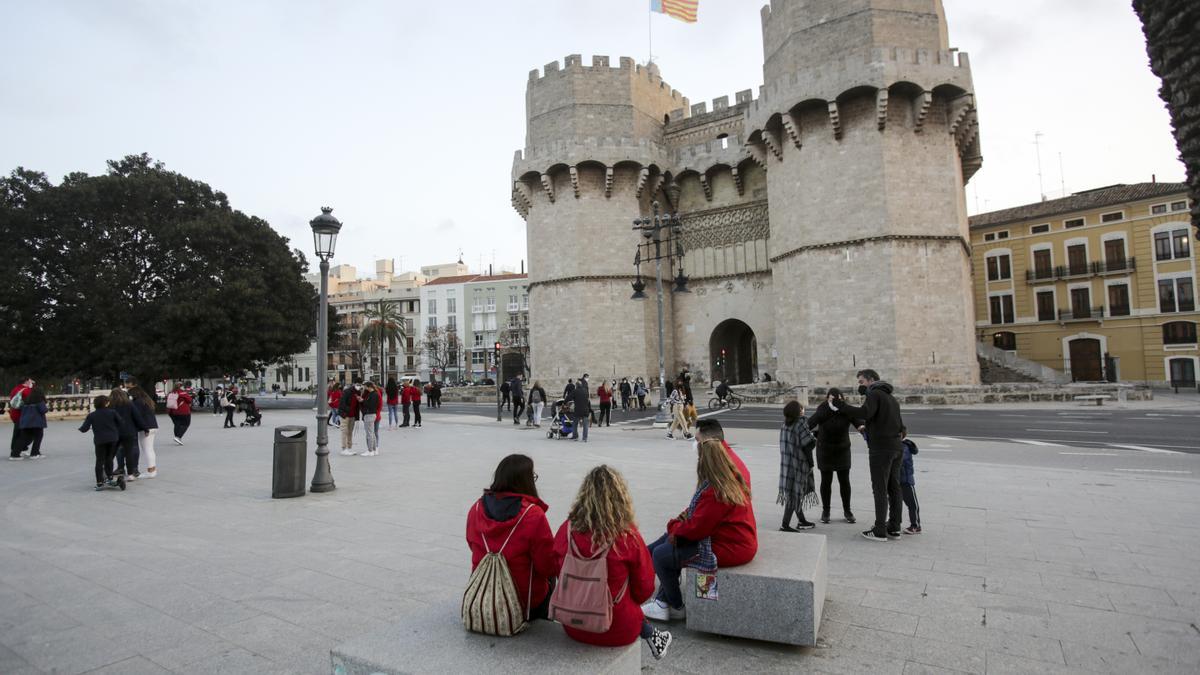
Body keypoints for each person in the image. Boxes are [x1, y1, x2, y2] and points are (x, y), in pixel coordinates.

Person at [552, 465, 672, 660]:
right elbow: (644, 589)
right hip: (618, 629)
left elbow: (556, 569)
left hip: (574, 624)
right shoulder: (627, 536)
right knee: (624, 599)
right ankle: (652, 635)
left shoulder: (566, 530)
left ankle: (653, 635)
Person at [642, 439, 757, 622]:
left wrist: (674, 527)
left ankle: (676, 606)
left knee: (662, 555)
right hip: (732, 540)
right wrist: (676, 526)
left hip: (731, 547)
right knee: (665, 543)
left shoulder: (717, 491)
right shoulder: (725, 480)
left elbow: (696, 529)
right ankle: (658, 599)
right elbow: (696, 515)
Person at [466, 455, 557, 621]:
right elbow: (547, 566)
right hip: (523, 602)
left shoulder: (477, 507)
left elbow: (472, 544)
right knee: (552, 572)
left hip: (483, 593)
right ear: (525, 481)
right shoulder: (532, 514)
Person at [832, 369, 904, 542]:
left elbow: (864, 413)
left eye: (861, 382)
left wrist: (841, 405)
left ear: (871, 380)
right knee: (894, 488)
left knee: (880, 488)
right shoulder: (891, 398)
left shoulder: (875, 394)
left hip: (881, 449)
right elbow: (901, 426)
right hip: (896, 447)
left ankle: (879, 530)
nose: (860, 385)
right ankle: (894, 527)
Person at [806, 388, 857, 524]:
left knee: (844, 481)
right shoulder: (822, 408)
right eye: (831, 397)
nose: (835, 400)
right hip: (825, 451)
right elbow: (810, 423)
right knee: (826, 481)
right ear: (827, 398)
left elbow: (858, 421)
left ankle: (847, 511)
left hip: (842, 450)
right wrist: (826, 408)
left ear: (842, 398)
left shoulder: (845, 409)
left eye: (838, 398)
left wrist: (864, 428)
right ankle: (826, 511)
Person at [778, 401, 818, 531]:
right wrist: (811, 464)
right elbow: (808, 445)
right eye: (801, 408)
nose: (803, 410)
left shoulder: (785, 425)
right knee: (795, 494)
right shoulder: (800, 423)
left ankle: (802, 520)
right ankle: (785, 525)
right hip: (799, 464)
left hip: (788, 464)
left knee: (794, 491)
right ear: (798, 411)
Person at [80, 395, 123, 491]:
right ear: (106, 403)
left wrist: (81, 429)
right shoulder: (113, 412)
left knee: (99, 460)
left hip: (100, 440)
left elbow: (84, 429)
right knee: (109, 458)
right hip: (112, 439)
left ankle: (99, 482)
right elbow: (121, 423)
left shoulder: (92, 415)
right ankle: (110, 477)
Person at [110, 388, 140, 480]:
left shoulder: (110, 405)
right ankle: (130, 474)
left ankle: (108, 472)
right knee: (129, 453)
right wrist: (144, 427)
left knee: (111, 453)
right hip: (128, 431)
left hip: (114, 432)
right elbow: (137, 417)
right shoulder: (129, 404)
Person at [129, 386, 159, 478]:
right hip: (153, 425)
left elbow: (138, 416)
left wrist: (144, 428)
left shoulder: (137, 402)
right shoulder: (147, 400)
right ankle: (152, 469)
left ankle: (151, 471)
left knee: (147, 449)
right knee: (150, 449)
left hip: (145, 427)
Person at [16, 386, 48, 459]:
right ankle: (34, 453)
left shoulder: (26, 400)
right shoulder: (39, 400)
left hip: (26, 422)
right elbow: (44, 410)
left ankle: (15, 454)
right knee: (38, 437)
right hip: (36, 422)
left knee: (22, 438)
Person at [900, 427, 921, 535]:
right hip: (898, 481)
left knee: (912, 504)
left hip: (906, 481)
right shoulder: (898, 446)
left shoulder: (904, 447)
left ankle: (916, 526)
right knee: (895, 503)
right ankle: (894, 522)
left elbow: (899, 458)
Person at [8, 376, 34, 459]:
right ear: (26, 382)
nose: (32, 383)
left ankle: (17, 450)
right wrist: (32, 388)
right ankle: (16, 452)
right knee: (26, 434)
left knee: (17, 433)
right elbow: (32, 399)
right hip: (22, 415)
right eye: (30, 381)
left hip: (15, 414)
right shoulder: (26, 390)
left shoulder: (15, 389)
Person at [338, 379, 363, 455]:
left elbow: (357, 406)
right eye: (358, 384)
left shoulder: (358, 392)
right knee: (344, 431)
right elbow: (342, 403)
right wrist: (347, 411)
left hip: (352, 416)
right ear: (354, 384)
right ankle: (344, 448)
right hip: (345, 415)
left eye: (360, 385)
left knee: (350, 432)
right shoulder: (347, 391)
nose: (359, 386)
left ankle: (349, 448)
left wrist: (357, 417)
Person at [360, 381, 380, 456]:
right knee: (372, 433)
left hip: (369, 414)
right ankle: (374, 449)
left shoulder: (373, 395)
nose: (364, 388)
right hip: (371, 414)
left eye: (365, 386)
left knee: (369, 433)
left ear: (369, 386)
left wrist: (363, 401)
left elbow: (370, 405)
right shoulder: (374, 394)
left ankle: (370, 450)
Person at [570, 377, 591, 442]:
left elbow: (569, 397)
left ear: (576, 386)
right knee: (585, 425)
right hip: (585, 410)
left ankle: (575, 436)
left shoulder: (575, 391)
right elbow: (588, 400)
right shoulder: (585, 391)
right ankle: (585, 438)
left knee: (575, 423)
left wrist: (565, 402)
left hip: (578, 410)